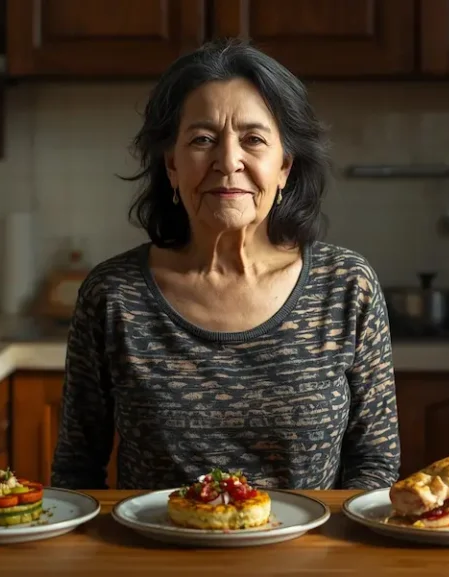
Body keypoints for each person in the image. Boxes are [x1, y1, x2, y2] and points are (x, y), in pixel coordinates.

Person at [51, 38, 400, 491]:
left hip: (304, 558)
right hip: (158, 557)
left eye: (253, 139)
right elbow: (77, 472)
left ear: (284, 167)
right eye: (203, 140)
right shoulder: (114, 295)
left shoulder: (347, 286)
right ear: (172, 165)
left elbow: (374, 464)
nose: (228, 161)